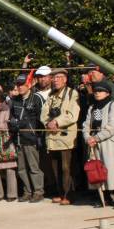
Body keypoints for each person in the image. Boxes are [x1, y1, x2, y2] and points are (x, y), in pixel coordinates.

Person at [82, 83, 114, 209]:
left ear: (108, 93)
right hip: (94, 142)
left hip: (110, 142)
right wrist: (87, 137)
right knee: (98, 171)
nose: (97, 93)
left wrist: (97, 137)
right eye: (96, 91)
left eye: (101, 91)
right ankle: (105, 198)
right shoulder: (92, 107)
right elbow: (86, 124)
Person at [41, 69, 80, 205]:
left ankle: (69, 194)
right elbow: (44, 112)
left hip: (66, 137)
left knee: (66, 167)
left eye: (59, 77)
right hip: (51, 137)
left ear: (65, 79)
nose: (55, 80)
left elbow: (72, 114)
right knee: (54, 167)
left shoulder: (72, 93)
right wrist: (47, 122)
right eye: (54, 77)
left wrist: (57, 121)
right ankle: (59, 192)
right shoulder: (51, 95)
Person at [9, 74, 44, 203]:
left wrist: (37, 134)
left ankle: (38, 191)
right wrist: (13, 124)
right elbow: (11, 116)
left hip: (31, 138)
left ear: (29, 85)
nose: (20, 87)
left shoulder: (36, 98)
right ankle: (27, 191)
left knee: (34, 167)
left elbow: (41, 118)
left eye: (22, 84)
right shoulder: (15, 100)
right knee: (22, 168)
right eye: (18, 84)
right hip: (18, 138)